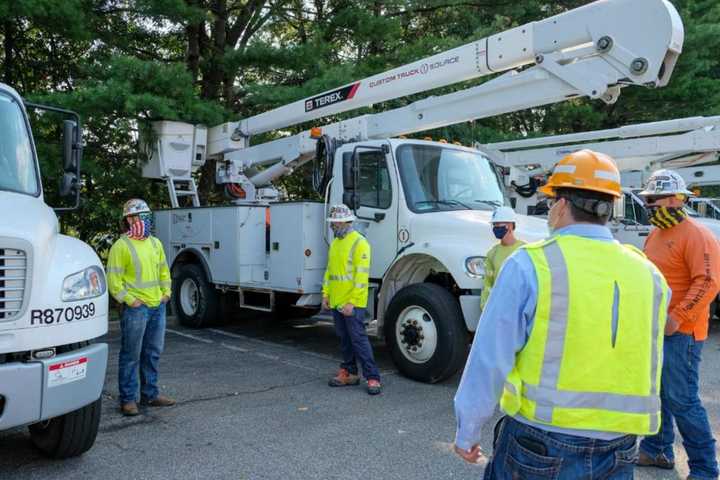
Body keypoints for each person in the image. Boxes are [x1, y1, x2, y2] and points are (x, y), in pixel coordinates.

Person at [453, 150, 669, 479]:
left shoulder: (532, 264)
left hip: (541, 441)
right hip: (621, 444)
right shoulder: (648, 273)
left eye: (551, 200)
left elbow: (490, 356)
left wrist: (468, 430)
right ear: (610, 208)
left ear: (563, 205)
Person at [636, 169, 720, 479]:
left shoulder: (698, 236)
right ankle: (657, 449)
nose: (649, 206)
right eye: (648, 200)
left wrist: (678, 316)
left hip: (682, 332)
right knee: (658, 393)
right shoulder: (656, 232)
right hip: (657, 329)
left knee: (682, 399)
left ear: (675, 199)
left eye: (654, 201)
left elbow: (709, 282)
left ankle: (705, 469)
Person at [107, 199, 175, 416]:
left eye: (146, 215)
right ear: (129, 219)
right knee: (131, 354)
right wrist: (130, 300)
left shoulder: (155, 243)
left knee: (152, 353)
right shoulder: (121, 246)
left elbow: (164, 271)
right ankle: (128, 399)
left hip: (157, 306)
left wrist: (167, 294)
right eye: (139, 216)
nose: (144, 219)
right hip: (136, 309)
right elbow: (113, 281)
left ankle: (150, 395)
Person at [322, 204, 382, 395]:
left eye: (337, 222)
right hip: (338, 301)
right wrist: (326, 294)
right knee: (344, 339)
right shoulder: (336, 244)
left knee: (358, 340)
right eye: (332, 223)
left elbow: (361, 277)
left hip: (352, 303)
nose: (333, 226)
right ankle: (349, 372)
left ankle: (373, 377)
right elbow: (330, 272)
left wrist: (352, 302)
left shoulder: (359, 243)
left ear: (348, 222)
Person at [480, 206, 525, 310]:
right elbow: (488, 283)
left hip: (518, 308)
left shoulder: (524, 250)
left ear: (509, 226)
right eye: (494, 225)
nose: (495, 228)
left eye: (498, 224)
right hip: (499, 308)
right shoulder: (492, 253)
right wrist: (485, 307)